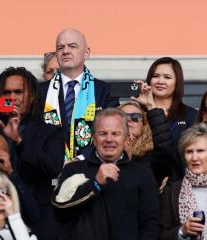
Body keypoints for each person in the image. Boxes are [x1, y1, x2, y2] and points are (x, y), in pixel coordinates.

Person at [0, 67, 64, 240]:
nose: (12, 98)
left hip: (35, 218)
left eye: (18, 92)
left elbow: (52, 167)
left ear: (31, 96)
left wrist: (19, 142)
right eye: (6, 92)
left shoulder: (50, 132)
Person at [52, 108, 160, 240]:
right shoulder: (73, 170)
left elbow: (151, 225)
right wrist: (95, 183)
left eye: (115, 133)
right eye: (103, 133)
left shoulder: (142, 175)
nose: (109, 139)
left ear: (126, 139)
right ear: (93, 137)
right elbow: (59, 212)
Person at [40, 28, 119, 160]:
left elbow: (109, 134)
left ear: (86, 53)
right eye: (60, 48)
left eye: (72, 46)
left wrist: (79, 161)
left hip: (92, 169)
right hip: (47, 170)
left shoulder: (105, 91)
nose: (65, 51)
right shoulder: (39, 91)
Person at [160, 123, 207, 240]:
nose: (194, 158)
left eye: (200, 151)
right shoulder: (172, 191)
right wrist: (182, 231)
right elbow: (161, 235)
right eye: (189, 151)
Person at [119, 100, 173, 186]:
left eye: (135, 117)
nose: (128, 120)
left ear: (143, 124)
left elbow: (164, 145)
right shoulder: (107, 149)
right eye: (122, 117)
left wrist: (151, 107)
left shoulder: (152, 152)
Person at [146, 57, 197, 144]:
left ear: (177, 82)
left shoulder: (192, 115)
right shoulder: (137, 112)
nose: (160, 81)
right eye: (155, 76)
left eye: (167, 77)